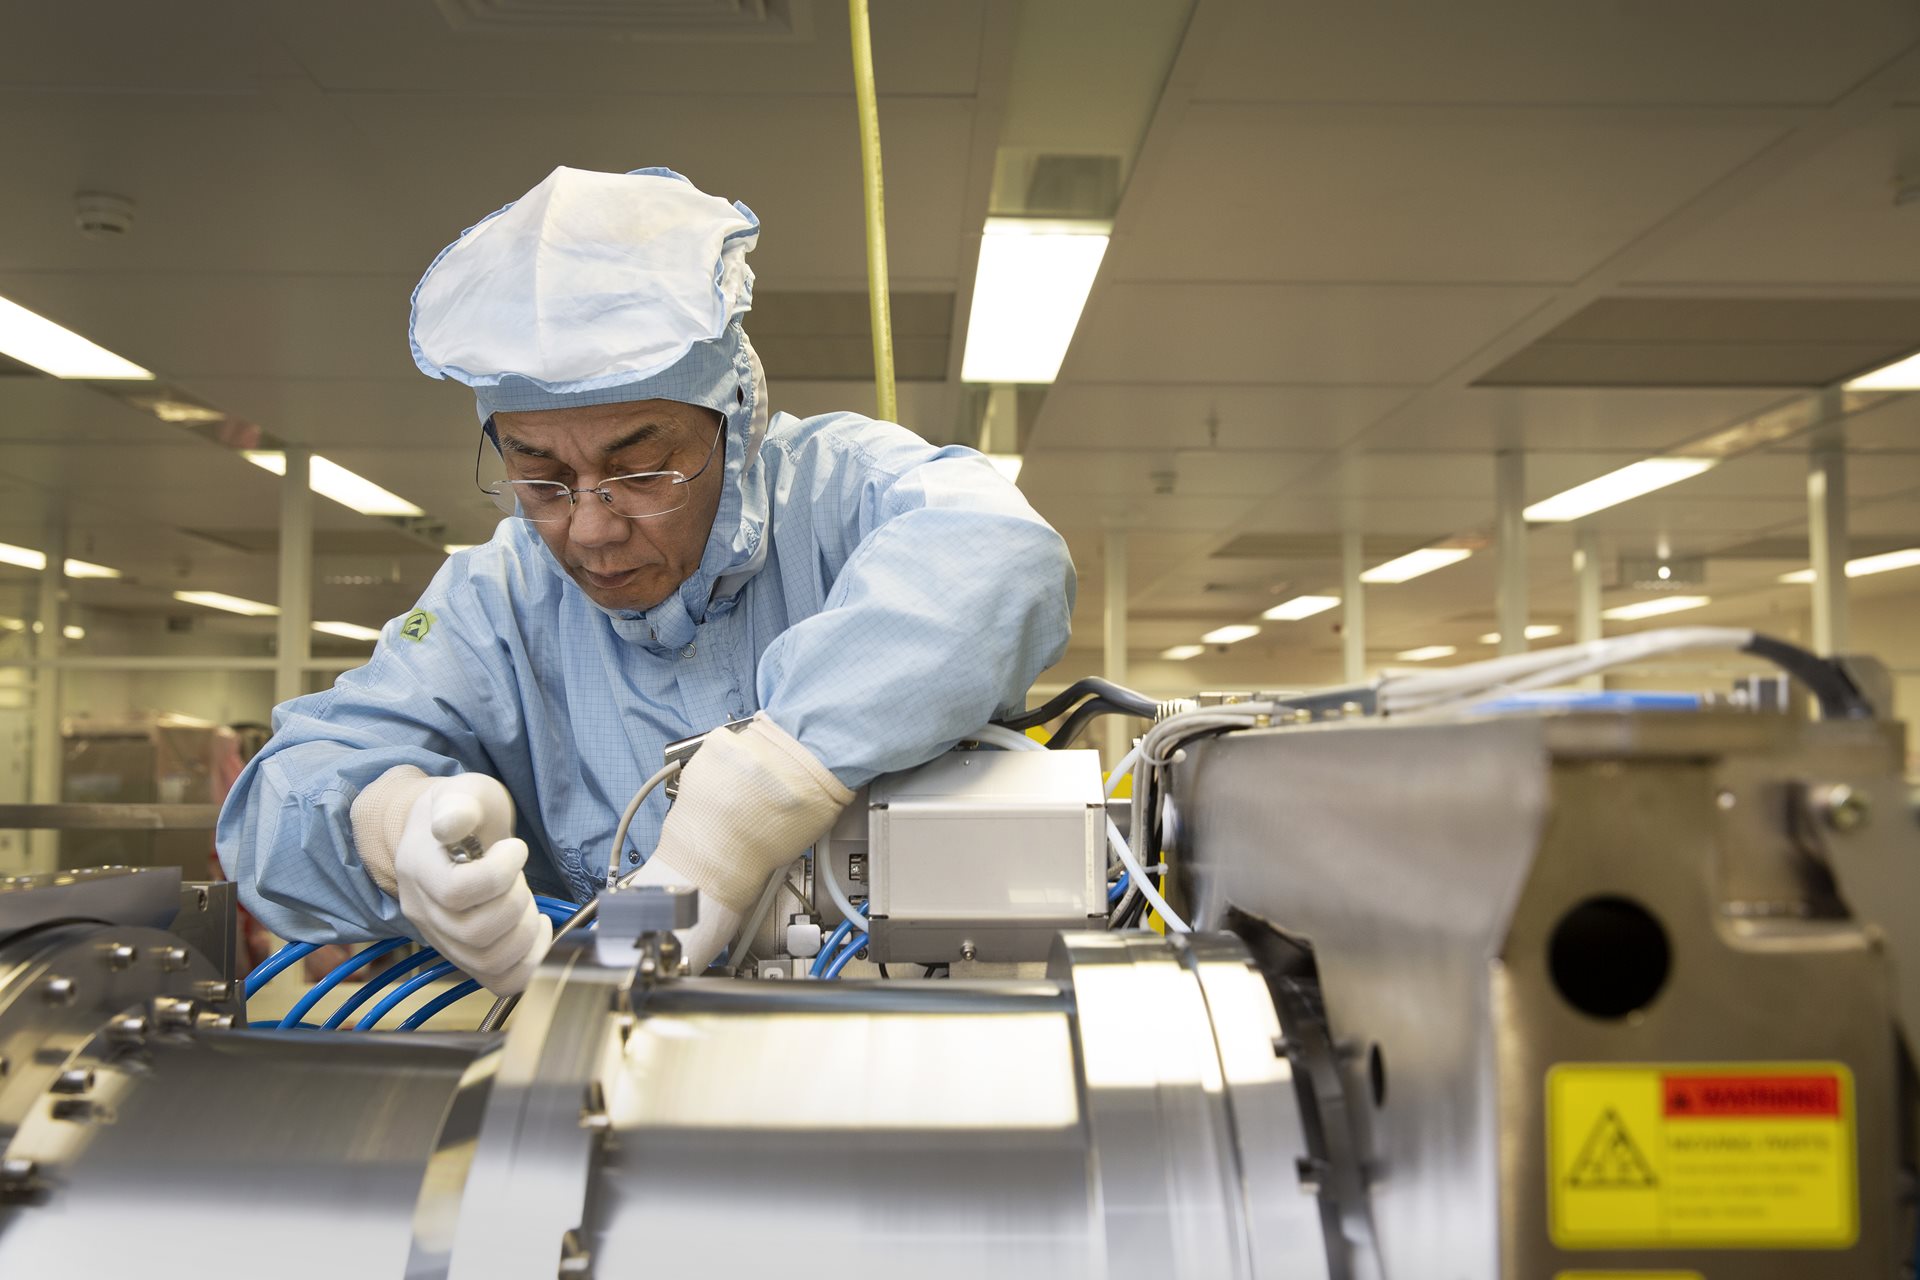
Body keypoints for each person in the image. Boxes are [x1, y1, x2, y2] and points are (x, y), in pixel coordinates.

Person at [215, 166, 1075, 993]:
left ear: (734, 424)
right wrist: (392, 832)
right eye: (541, 473)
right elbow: (277, 804)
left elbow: (1003, 555)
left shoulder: (845, 493)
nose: (588, 527)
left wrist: (754, 801)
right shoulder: (499, 604)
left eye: (642, 469)